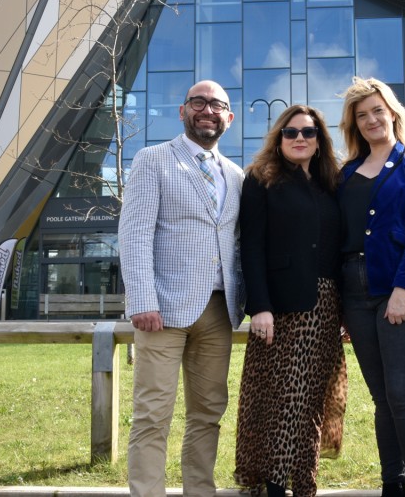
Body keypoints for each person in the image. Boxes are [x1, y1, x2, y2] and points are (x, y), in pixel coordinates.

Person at [118, 80, 245, 497]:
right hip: (162, 312)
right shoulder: (153, 159)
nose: (207, 110)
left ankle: (199, 492)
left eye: (217, 105)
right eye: (198, 102)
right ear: (182, 110)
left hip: (219, 311)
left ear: (228, 117)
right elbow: (134, 234)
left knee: (208, 413)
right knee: (153, 415)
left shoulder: (237, 175)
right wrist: (142, 300)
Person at [234, 104, 347, 497]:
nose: (300, 138)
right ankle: (275, 484)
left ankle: (304, 483)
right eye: (291, 132)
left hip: (327, 306)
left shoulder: (331, 183)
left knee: (312, 398)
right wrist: (260, 306)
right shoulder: (260, 180)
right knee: (282, 399)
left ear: (319, 141)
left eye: (309, 132)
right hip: (281, 307)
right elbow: (251, 247)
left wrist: (345, 311)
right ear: (279, 138)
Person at [337, 77, 405, 497]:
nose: (371, 120)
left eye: (377, 111)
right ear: (354, 125)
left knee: (403, 392)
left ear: (393, 112)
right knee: (381, 397)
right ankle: (391, 483)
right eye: (361, 116)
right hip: (354, 293)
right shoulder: (344, 174)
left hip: (403, 289)